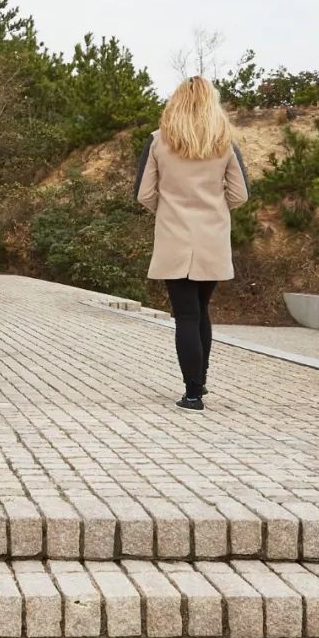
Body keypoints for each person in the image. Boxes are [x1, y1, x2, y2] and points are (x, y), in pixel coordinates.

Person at [135, 75, 250, 411]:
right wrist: (213, 209)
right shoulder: (225, 142)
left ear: (176, 103)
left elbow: (143, 193)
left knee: (185, 315)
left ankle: (193, 393)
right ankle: (199, 383)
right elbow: (240, 194)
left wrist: (169, 209)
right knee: (201, 311)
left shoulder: (158, 141)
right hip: (212, 239)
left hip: (174, 237)